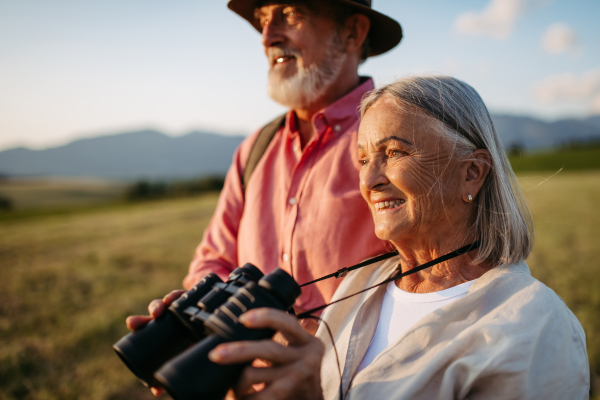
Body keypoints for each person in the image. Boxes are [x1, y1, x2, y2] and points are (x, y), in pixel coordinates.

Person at [206, 75, 590, 399]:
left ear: (471, 172)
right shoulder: (361, 283)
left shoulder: (534, 325)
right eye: (362, 159)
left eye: (394, 152)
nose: (370, 180)